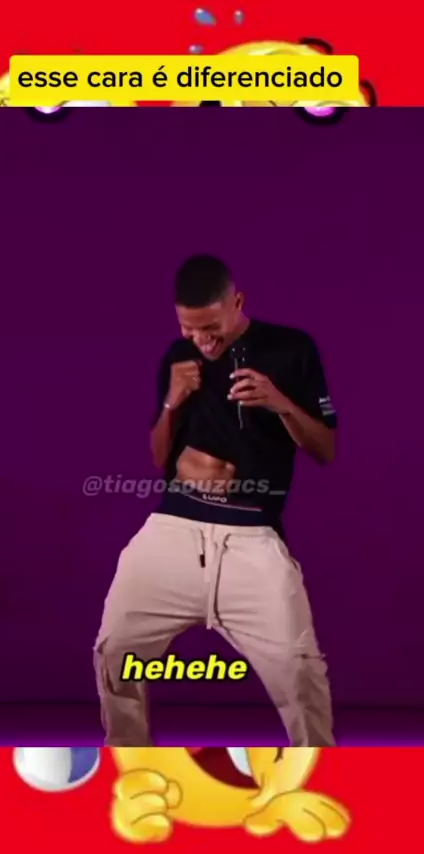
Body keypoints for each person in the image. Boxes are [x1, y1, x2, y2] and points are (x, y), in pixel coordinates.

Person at [94, 254, 338, 747]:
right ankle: (131, 768)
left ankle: (320, 774)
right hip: (174, 526)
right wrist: (171, 401)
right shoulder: (178, 358)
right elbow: (159, 457)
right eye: (189, 329)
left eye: (211, 328)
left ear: (237, 302)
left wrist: (280, 404)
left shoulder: (292, 349)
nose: (202, 340)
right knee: (116, 651)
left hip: (250, 534)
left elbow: (325, 450)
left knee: (297, 668)